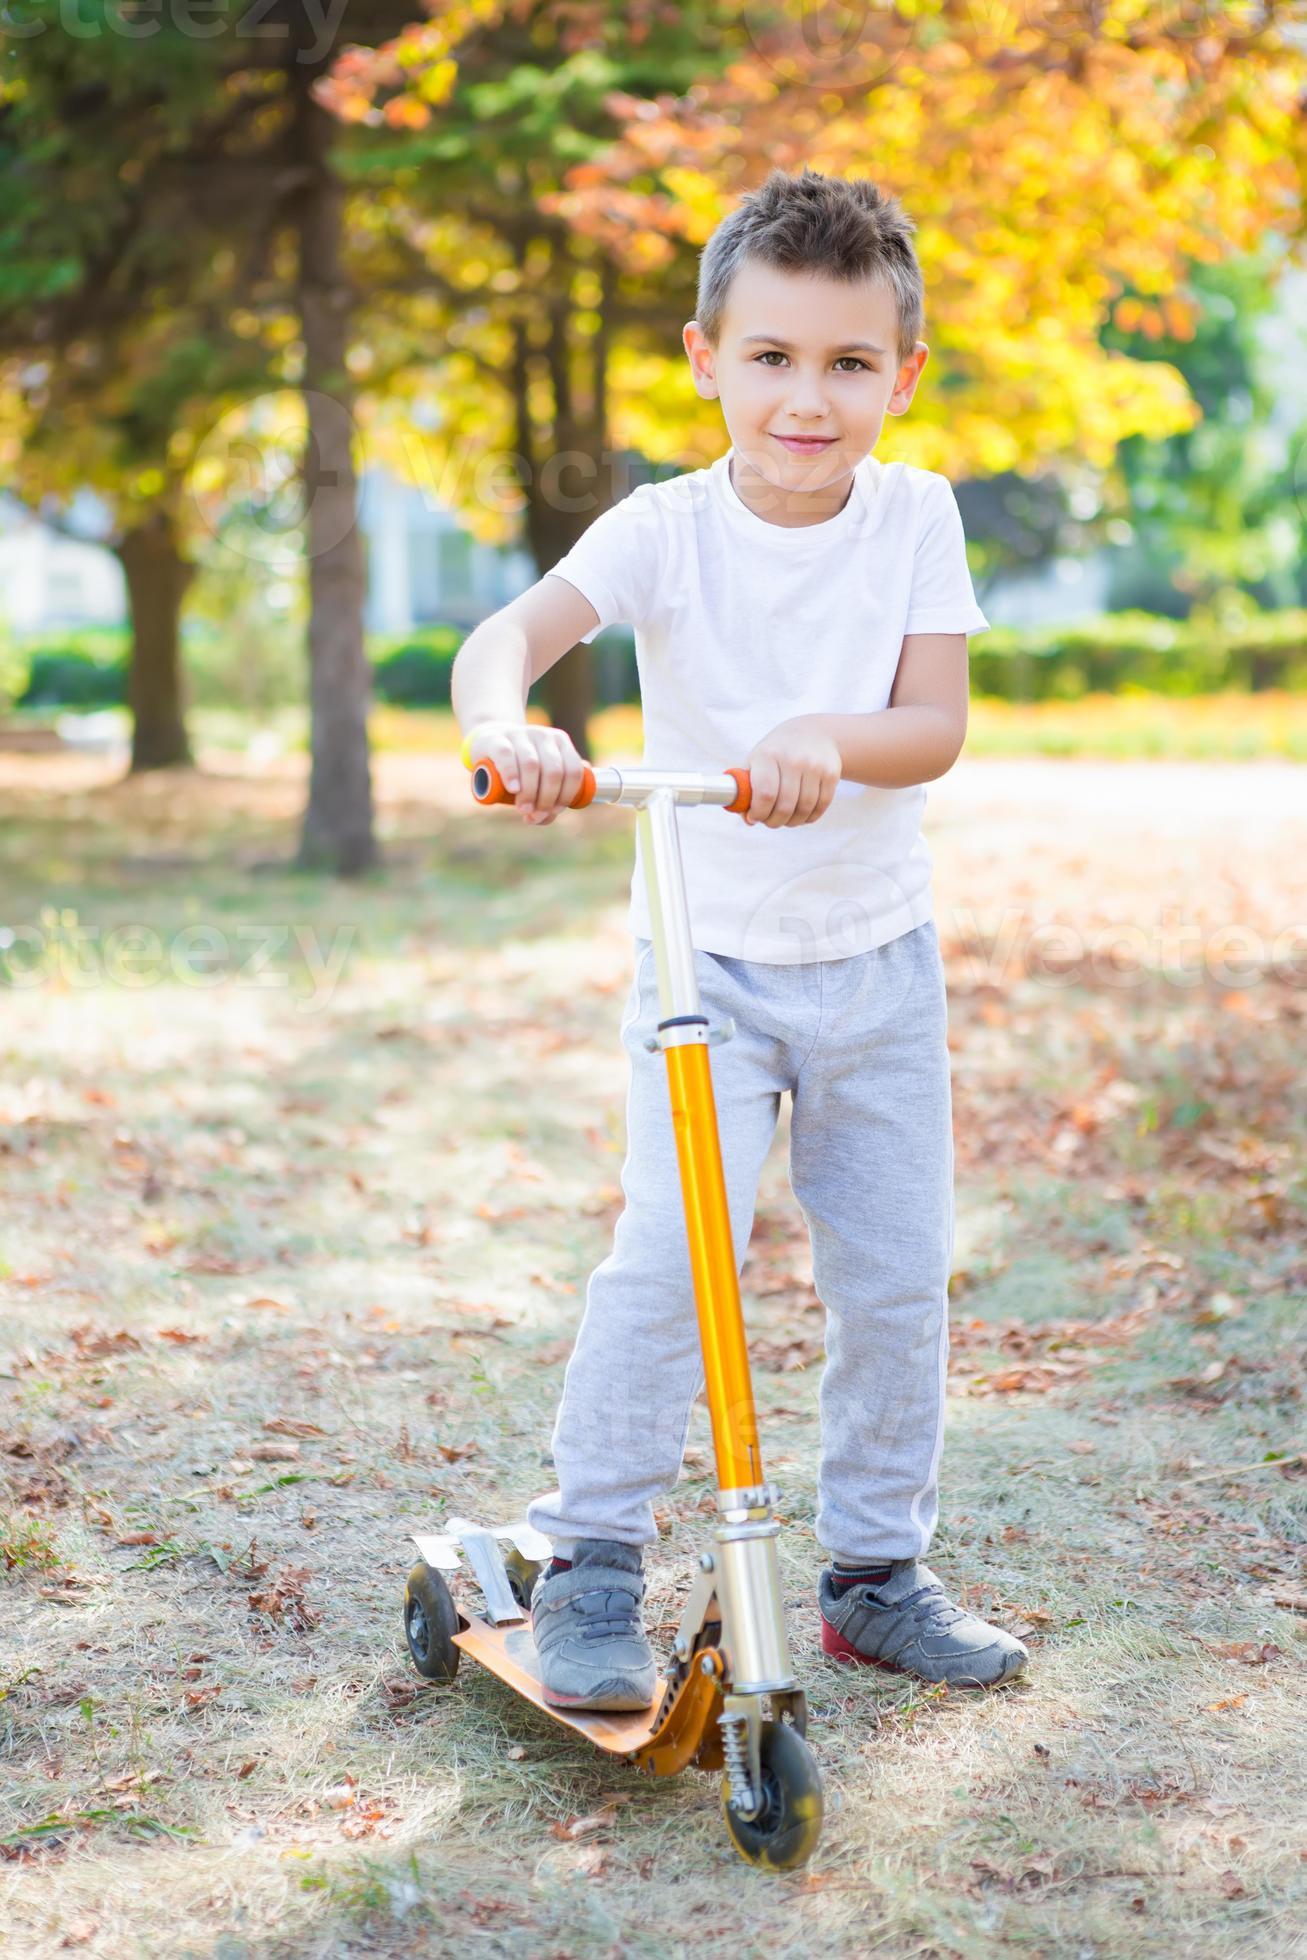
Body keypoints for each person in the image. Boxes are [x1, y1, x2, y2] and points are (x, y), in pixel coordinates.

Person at [451, 164, 1029, 1709]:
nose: (806, 399)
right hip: (705, 962)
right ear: (707, 357)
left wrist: (829, 739)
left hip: (880, 964)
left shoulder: (915, 515)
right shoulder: (663, 530)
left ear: (902, 377)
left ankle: (873, 1575)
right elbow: (505, 639)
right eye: (771, 358)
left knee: (896, 1275)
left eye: (849, 365)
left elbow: (936, 725)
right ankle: (589, 1562)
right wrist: (513, 731)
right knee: (664, 1261)